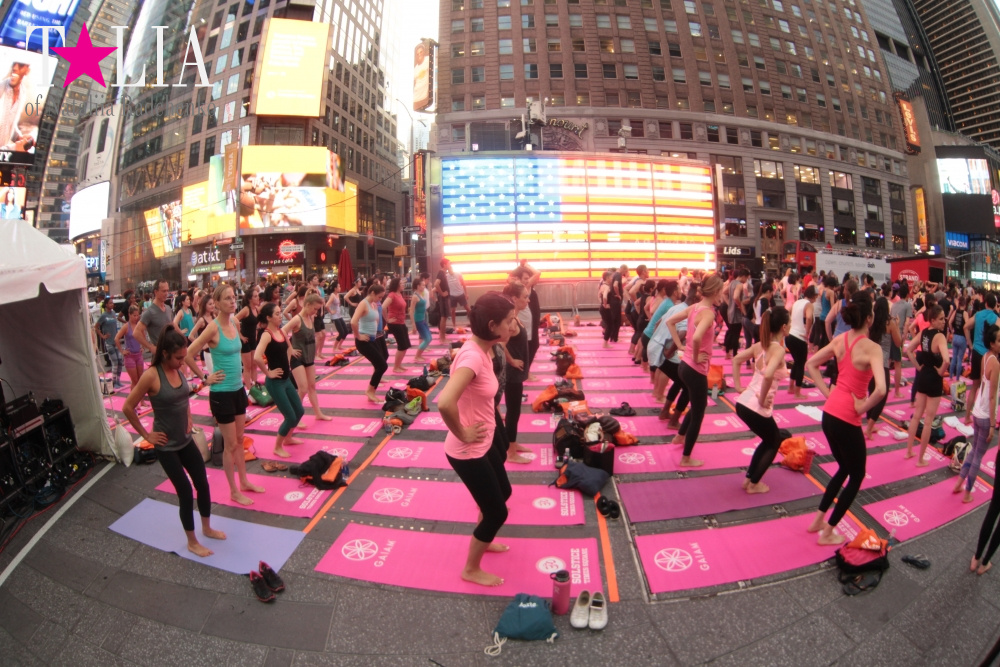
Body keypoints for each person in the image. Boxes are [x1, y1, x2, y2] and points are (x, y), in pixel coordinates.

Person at [436, 292, 520, 587]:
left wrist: (509, 319)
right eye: (509, 322)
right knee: (498, 512)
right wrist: (462, 432)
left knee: (502, 494)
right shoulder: (472, 355)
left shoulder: (487, 345)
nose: (514, 325)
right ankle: (471, 568)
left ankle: (484, 533)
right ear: (493, 325)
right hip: (467, 449)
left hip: (486, 438)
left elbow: (511, 330)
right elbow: (444, 402)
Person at [122, 326, 226, 556]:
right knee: (186, 492)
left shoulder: (177, 370)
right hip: (166, 445)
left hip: (185, 439)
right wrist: (147, 435)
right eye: (179, 357)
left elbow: (183, 396)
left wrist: (188, 416)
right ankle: (192, 541)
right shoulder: (152, 375)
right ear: (166, 353)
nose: (182, 361)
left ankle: (207, 528)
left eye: (184, 357)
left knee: (203, 483)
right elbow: (127, 407)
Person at [805, 292, 886, 545]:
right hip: (846, 417)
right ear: (870, 318)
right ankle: (828, 532)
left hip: (829, 414)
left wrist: (827, 392)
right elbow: (882, 389)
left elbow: (811, 364)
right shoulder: (872, 348)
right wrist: (862, 407)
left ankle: (819, 519)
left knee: (843, 467)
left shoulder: (841, 340)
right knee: (857, 474)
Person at [185, 284, 262, 506]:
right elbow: (189, 353)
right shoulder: (213, 328)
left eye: (232, 297)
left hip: (238, 389)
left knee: (239, 440)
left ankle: (244, 481)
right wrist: (204, 377)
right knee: (230, 445)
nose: (232, 301)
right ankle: (233, 490)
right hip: (221, 393)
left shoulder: (235, 323)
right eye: (227, 299)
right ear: (216, 304)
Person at [666, 274, 725, 467]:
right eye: (722, 292)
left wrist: (680, 346)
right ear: (715, 292)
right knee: (699, 413)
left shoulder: (694, 307)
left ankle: (679, 437)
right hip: (694, 368)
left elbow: (670, 323)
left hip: (685, 366)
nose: (722, 296)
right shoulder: (707, 312)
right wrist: (696, 354)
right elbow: (698, 337)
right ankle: (686, 458)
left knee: (696, 405)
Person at [732, 307, 791, 494]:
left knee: (769, 440)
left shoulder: (760, 346)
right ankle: (754, 484)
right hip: (756, 405)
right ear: (783, 327)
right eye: (789, 323)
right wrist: (763, 399)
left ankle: (749, 479)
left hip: (744, 403)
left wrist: (739, 386)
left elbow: (736, 359)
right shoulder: (778, 350)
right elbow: (767, 375)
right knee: (774, 442)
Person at [956, 325, 1000, 503]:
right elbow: (992, 396)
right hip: (985, 414)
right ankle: (967, 492)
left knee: (974, 451)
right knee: (978, 455)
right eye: (999, 341)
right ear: (992, 343)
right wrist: (992, 425)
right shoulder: (995, 363)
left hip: (977, 411)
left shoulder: (985, 357)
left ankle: (959, 483)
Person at [255, 303, 305, 458]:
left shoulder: (281, 331)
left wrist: (289, 362)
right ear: (269, 317)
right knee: (290, 416)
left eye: (279, 312)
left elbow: (288, 349)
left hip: (286, 379)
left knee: (300, 411)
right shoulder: (267, 334)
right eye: (277, 314)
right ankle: (277, 446)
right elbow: (257, 356)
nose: (280, 315)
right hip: (275, 382)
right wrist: (268, 373)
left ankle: (288, 438)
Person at [904, 305, 950, 465]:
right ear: (932, 320)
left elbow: (909, 350)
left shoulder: (923, 333)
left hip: (923, 376)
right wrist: (940, 372)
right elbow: (946, 360)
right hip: (934, 379)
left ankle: (909, 451)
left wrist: (918, 367)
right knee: (928, 420)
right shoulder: (940, 337)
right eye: (941, 319)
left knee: (917, 416)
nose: (944, 322)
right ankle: (921, 458)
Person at [284, 293, 331, 420]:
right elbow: (283, 331)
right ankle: (293, 416)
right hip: (297, 358)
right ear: (308, 305)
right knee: (303, 388)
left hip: (309, 357)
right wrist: (290, 349)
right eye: (315, 309)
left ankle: (318, 413)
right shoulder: (297, 319)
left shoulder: (311, 318)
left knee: (312, 387)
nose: (316, 312)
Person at [501, 282, 532, 464]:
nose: (528, 300)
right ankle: (510, 452)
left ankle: (512, 443)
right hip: (511, 374)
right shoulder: (511, 320)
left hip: (515, 373)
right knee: (513, 411)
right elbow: (501, 345)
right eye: (525, 297)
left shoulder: (515, 317)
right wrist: (512, 360)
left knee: (515, 410)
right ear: (514, 299)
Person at [864, 296, 902, 438]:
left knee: (871, 392)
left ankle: (869, 421)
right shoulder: (890, 323)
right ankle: (869, 427)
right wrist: (897, 326)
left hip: (870, 360)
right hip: (882, 361)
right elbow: (898, 343)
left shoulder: (871, 322)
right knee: (882, 394)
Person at [352, 283, 389, 403]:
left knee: (381, 363)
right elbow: (353, 321)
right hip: (364, 341)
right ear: (372, 293)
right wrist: (358, 336)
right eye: (379, 297)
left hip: (373, 339)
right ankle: (370, 391)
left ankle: (371, 390)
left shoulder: (373, 303)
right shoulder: (364, 303)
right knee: (382, 365)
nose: (380, 299)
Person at [964, 293, 999, 423]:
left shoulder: (978, 315)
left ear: (985, 303)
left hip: (976, 353)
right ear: (995, 305)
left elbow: (965, 327)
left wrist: (971, 344)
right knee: (987, 389)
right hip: (988, 356)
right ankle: (984, 417)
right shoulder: (996, 318)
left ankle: (967, 416)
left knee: (974, 387)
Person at [786, 286, 816, 397]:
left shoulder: (797, 302)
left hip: (790, 336)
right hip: (799, 337)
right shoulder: (809, 305)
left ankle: (791, 387)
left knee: (797, 362)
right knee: (800, 364)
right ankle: (797, 392)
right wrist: (807, 333)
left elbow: (788, 313)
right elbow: (808, 317)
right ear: (814, 296)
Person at [133, 279, 174, 357]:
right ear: (156, 292)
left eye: (167, 291)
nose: (166, 293)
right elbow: (136, 332)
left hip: (170, 354)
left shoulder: (168, 308)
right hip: (159, 356)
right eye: (163, 291)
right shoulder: (150, 312)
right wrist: (150, 347)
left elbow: (172, 326)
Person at [0, 61, 33, 151]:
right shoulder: (1, 88)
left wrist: (20, 138)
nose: (15, 67)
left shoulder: (22, 93)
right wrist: (15, 148)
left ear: (27, 70)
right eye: (15, 64)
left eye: (21, 64)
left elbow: (9, 124)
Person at [890, 283, 914, 398]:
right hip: (898, 335)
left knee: (887, 362)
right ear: (908, 294)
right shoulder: (907, 305)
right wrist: (904, 337)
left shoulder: (894, 305)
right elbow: (907, 323)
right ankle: (896, 392)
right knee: (898, 363)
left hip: (889, 334)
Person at [383, 278, 411, 373]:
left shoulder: (399, 294)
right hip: (395, 324)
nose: (403, 285)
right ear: (397, 285)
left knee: (406, 345)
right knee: (402, 345)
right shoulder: (392, 295)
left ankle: (399, 365)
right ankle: (396, 367)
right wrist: (387, 319)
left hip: (401, 323)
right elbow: (383, 307)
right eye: (401, 283)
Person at [235, 286, 262, 390]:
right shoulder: (246, 310)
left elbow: (258, 324)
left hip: (253, 340)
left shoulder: (257, 309)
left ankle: (255, 386)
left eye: (258, 296)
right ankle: (249, 389)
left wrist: (256, 333)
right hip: (245, 340)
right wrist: (240, 336)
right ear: (250, 299)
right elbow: (234, 320)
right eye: (255, 296)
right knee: (247, 367)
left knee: (254, 365)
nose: (257, 298)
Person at [95, 297, 122, 388]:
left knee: (120, 361)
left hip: (116, 341)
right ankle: (114, 382)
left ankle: (118, 380)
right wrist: (102, 336)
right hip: (109, 343)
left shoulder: (113, 313)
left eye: (112, 303)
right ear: (106, 304)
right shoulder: (104, 316)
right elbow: (96, 327)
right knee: (114, 362)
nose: (112, 304)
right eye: (110, 303)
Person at [115, 305, 145, 389]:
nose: (136, 317)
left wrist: (143, 346)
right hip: (130, 356)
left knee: (140, 380)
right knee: (135, 381)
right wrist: (122, 351)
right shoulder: (126, 326)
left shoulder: (139, 326)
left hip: (138, 355)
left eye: (137, 315)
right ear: (129, 315)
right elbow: (116, 338)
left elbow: (143, 336)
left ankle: (141, 401)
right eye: (134, 315)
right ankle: (134, 401)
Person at [724, 269, 750, 358]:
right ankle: (735, 354)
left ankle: (727, 352)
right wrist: (740, 305)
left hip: (730, 311)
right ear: (743, 276)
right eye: (746, 278)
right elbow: (736, 297)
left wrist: (729, 303)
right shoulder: (739, 285)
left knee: (731, 332)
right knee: (736, 334)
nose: (746, 280)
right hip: (736, 313)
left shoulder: (731, 283)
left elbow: (724, 292)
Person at [409, 275, 432, 363]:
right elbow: (411, 311)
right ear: (418, 286)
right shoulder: (415, 296)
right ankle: (417, 356)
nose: (424, 286)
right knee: (427, 339)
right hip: (418, 320)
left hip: (422, 319)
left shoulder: (420, 294)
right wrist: (413, 325)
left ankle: (419, 355)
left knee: (429, 338)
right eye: (422, 285)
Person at [308, 274, 327, 360]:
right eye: (315, 279)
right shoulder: (310, 290)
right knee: (318, 335)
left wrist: (322, 310)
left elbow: (321, 301)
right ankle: (314, 355)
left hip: (319, 314)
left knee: (323, 334)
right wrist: (312, 313)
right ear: (311, 281)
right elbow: (308, 302)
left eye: (317, 278)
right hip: (314, 314)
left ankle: (320, 352)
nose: (317, 280)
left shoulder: (318, 289)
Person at [326, 283, 349, 353]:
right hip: (335, 316)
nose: (340, 288)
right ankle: (334, 347)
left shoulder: (338, 295)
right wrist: (331, 312)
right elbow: (327, 305)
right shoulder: (332, 295)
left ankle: (339, 345)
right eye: (338, 286)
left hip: (339, 315)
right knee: (341, 332)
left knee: (346, 331)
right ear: (335, 288)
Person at [949, 297, 968, 379]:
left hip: (955, 336)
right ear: (965, 304)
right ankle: (957, 378)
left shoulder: (955, 312)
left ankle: (950, 376)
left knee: (954, 357)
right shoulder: (965, 313)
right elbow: (967, 325)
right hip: (962, 337)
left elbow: (949, 322)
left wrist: (952, 331)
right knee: (960, 359)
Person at [598, 271, 614, 348]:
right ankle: (605, 343)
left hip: (602, 308)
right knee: (610, 325)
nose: (612, 279)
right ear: (607, 278)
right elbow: (604, 296)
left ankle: (605, 342)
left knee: (609, 325)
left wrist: (602, 304)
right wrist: (605, 304)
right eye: (611, 277)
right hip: (605, 308)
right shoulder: (607, 287)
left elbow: (598, 295)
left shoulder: (602, 286)